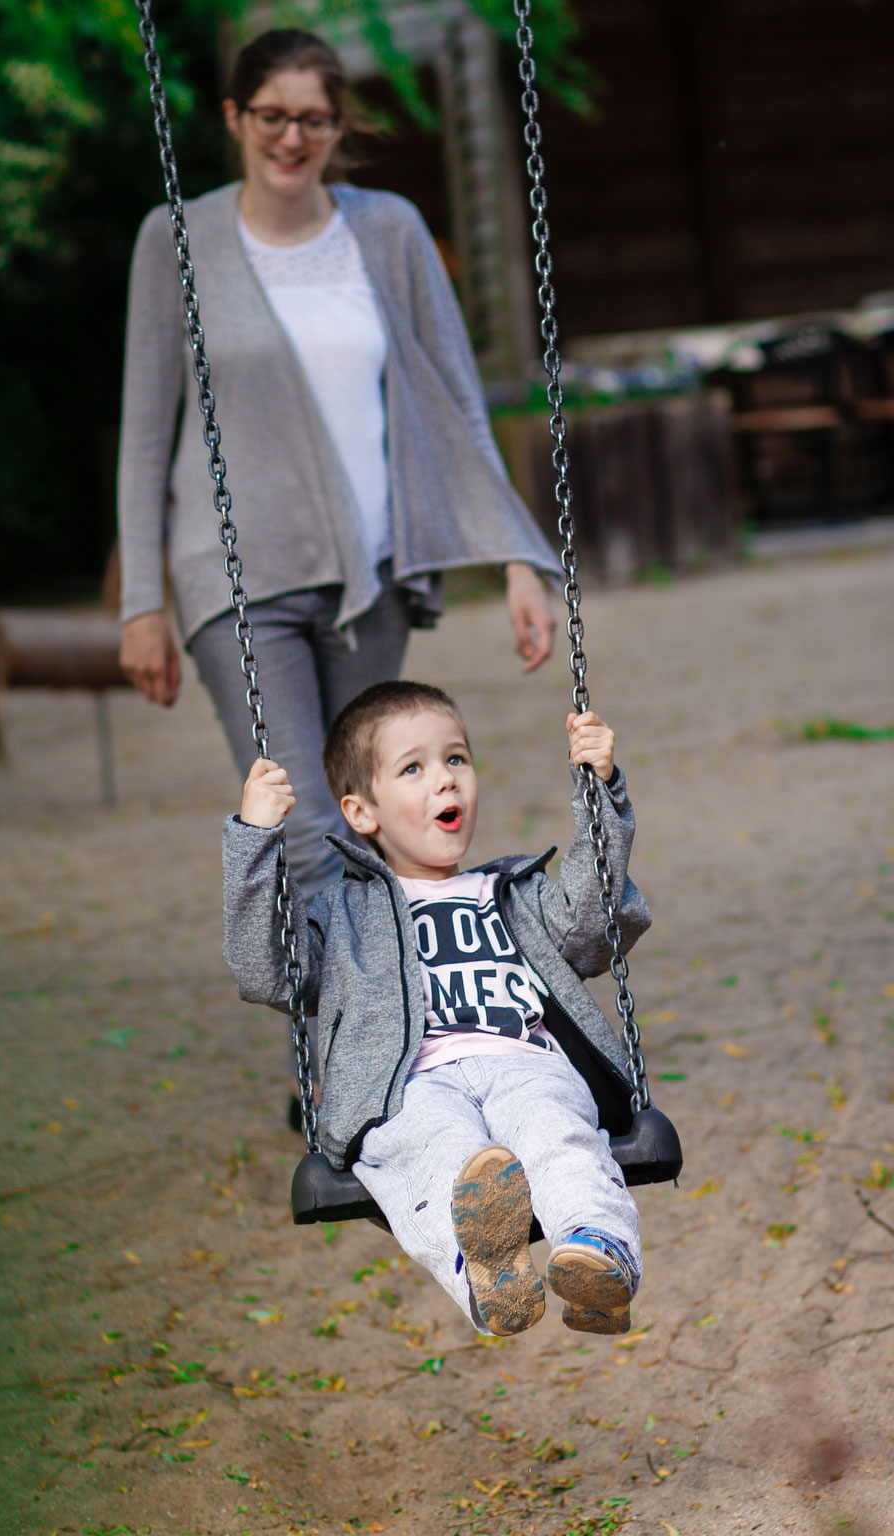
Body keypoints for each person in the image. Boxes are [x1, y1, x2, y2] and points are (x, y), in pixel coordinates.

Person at [117, 28, 562, 897]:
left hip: (373, 573)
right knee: (302, 826)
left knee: (372, 825)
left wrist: (519, 555)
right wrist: (143, 602)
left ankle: (377, 1033)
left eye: (313, 120)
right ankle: (327, 1039)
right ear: (235, 117)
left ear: (337, 125)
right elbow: (143, 430)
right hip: (238, 577)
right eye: (273, 116)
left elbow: (458, 403)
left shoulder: (388, 229)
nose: (292, 138)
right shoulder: (175, 238)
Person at [222, 680, 650, 1336]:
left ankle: (598, 1255)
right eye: (413, 768)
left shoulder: (517, 892)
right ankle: (489, 1273)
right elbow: (268, 972)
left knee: (556, 1132)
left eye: (456, 759)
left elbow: (597, 929)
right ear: (361, 812)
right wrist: (255, 838)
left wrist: (601, 791)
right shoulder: (343, 914)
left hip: (524, 1062)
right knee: (437, 1150)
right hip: (408, 1085)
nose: (445, 781)